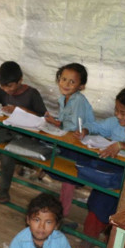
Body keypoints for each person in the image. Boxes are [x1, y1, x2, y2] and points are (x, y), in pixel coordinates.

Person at [74, 86, 125, 248]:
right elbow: (97, 126)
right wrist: (86, 130)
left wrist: (121, 145)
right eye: (116, 110)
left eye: (123, 113)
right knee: (98, 200)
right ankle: (89, 238)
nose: (118, 116)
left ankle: (108, 245)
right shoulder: (114, 123)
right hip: (111, 172)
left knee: (120, 211)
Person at [0, 61, 48, 204]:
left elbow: (43, 118)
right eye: (3, 86)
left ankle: (3, 190)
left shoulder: (31, 94)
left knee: (6, 154)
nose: (6, 90)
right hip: (4, 132)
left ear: (20, 80)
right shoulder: (2, 91)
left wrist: (20, 110)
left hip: (23, 137)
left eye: (10, 86)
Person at [45, 63, 95, 220]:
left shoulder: (78, 100)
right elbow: (64, 120)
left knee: (68, 179)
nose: (66, 84)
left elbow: (74, 125)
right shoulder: (63, 98)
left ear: (81, 86)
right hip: (68, 139)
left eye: (72, 82)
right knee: (59, 168)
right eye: (63, 79)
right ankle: (61, 207)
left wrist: (60, 125)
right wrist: (54, 121)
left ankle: (63, 213)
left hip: (77, 143)